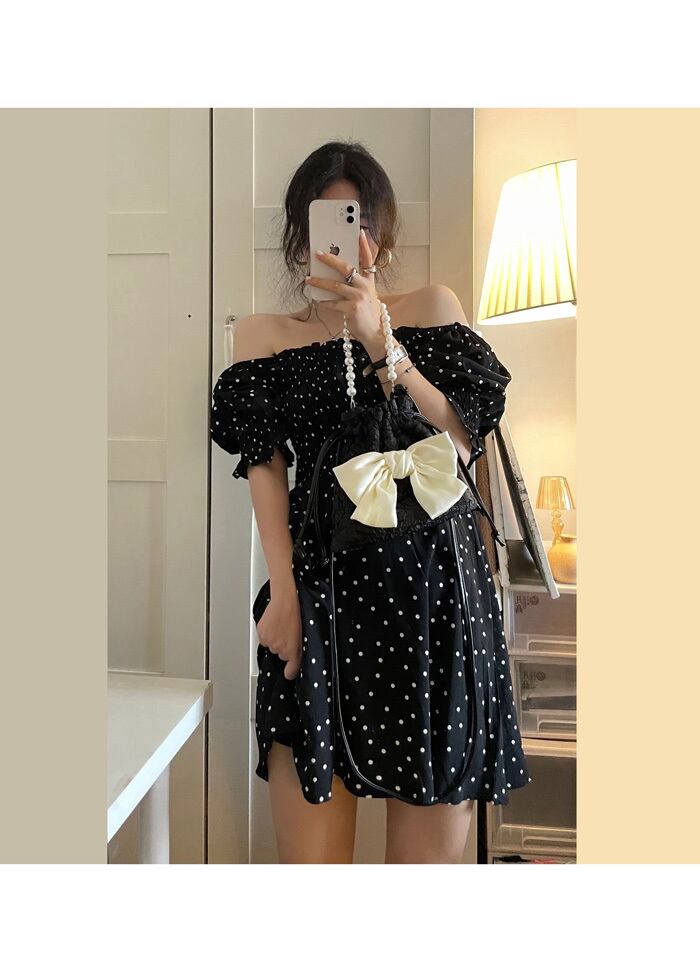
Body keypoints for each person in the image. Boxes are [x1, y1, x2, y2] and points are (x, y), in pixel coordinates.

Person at [211, 140, 530, 864]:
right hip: (318, 599)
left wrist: (382, 338)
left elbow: (461, 439)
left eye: (359, 221)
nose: (346, 239)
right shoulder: (261, 338)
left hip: (436, 603)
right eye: (327, 222)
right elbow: (265, 470)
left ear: (379, 234)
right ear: (300, 235)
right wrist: (282, 596)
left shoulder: (432, 310)